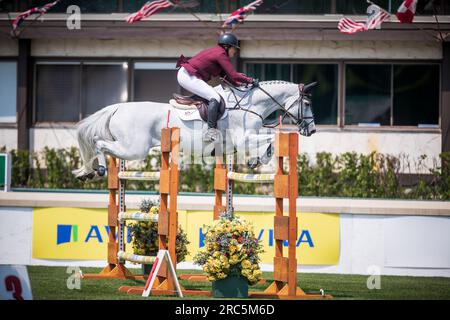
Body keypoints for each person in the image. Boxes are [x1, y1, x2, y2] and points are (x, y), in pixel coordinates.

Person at [176, 33, 256, 142]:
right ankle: (210, 131)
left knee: (212, 95)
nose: (235, 51)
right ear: (227, 47)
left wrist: (240, 84)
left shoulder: (219, 52)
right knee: (215, 97)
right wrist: (250, 80)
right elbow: (233, 75)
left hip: (188, 74)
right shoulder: (220, 54)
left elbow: (226, 76)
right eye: (234, 48)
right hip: (187, 75)